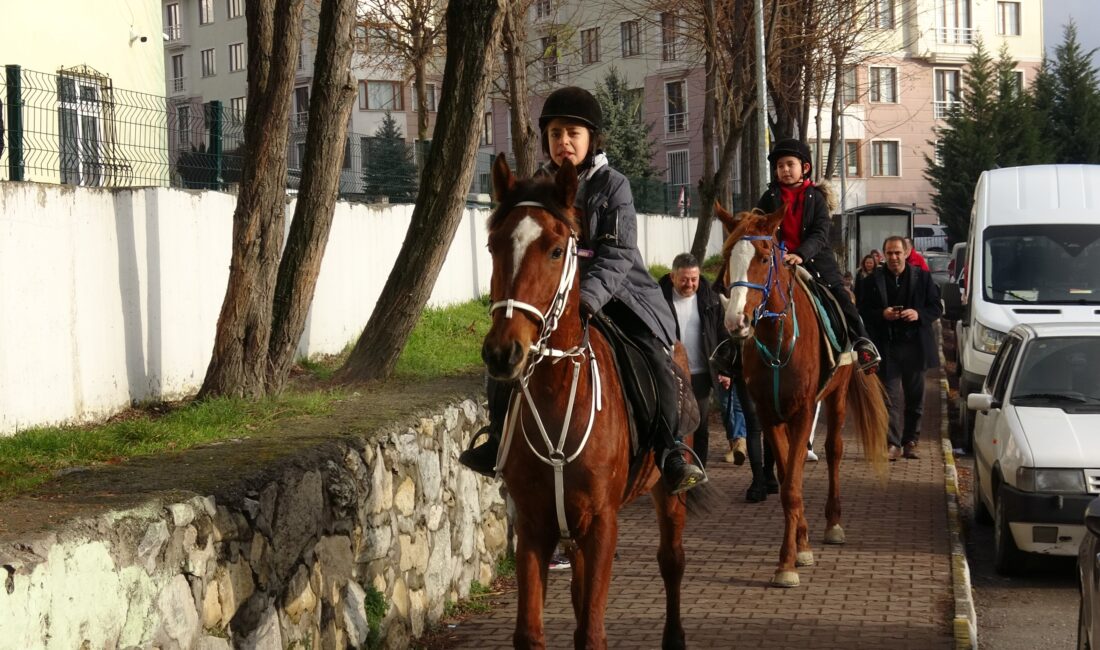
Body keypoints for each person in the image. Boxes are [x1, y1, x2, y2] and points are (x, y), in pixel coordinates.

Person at [460, 86, 706, 494]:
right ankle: (497, 438)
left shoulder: (614, 186)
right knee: (505, 361)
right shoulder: (537, 188)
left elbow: (618, 254)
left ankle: (670, 450)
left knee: (653, 357)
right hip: (555, 300)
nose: (564, 142)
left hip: (619, 295)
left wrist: (587, 299)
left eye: (573, 132)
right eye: (556, 134)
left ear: (592, 138)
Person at [756, 138, 880, 372]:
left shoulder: (817, 198)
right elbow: (759, 226)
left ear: (804, 167)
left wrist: (800, 255)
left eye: (789, 164)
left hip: (815, 263)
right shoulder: (768, 198)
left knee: (841, 298)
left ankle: (863, 344)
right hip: (777, 264)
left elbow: (821, 233)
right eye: (780, 166)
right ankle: (731, 351)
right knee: (746, 294)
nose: (784, 170)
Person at [858, 236, 943, 461]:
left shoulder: (922, 278)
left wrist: (918, 315)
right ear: (883, 255)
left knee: (915, 398)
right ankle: (892, 443)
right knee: (890, 398)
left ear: (906, 253)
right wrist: (882, 314)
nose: (893, 257)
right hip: (888, 347)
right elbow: (863, 311)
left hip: (916, 346)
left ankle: (911, 441)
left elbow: (935, 307)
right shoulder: (871, 281)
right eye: (889, 253)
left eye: (897, 252)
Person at [659, 253, 727, 468]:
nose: (690, 284)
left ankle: (699, 473)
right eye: (684, 279)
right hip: (669, 373)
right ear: (672, 276)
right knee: (671, 424)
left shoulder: (711, 300)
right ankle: (673, 470)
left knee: (700, 427)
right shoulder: (659, 300)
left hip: (701, 374)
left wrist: (724, 369)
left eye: (694, 279)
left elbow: (722, 336)